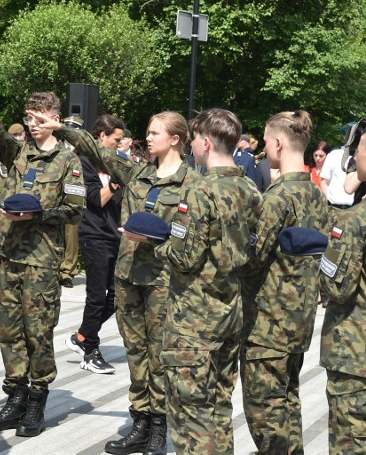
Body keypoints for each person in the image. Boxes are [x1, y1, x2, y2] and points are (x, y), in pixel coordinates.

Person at [37, 109, 201, 455]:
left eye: (156, 132)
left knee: (159, 356)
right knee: (136, 353)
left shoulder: (192, 184)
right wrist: (61, 128)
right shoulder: (137, 171)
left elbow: (193, 240)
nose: (149, 137)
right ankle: (139, 423)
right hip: (128, 278)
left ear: (175, 139)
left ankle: (159, 426)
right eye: (149, 131)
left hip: (162, 280)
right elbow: (97, 151)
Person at [0, 90, 86, 438]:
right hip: (11, 256)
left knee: (38, 331)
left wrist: (41, 214)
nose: (33, 124)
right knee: (10, 331)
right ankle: (14, 397)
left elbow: (76, 209)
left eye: (39, 118)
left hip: (42, 259)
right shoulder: (20, 153)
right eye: (29, 117)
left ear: (53, 118)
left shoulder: (67, 161)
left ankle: (36, 401)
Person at [152, 109, 262, 454]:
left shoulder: (199, 191)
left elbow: (186, 257)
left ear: (204, 142)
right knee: (218, 407)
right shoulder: (249, 187)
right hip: (230, 313)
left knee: (190, 417)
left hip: (194, 322)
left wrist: (156, 244)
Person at [240, 110, 329, 453]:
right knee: (288, 406)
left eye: (265, 140)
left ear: (278, 143)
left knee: (266, 414)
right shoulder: (315, 194)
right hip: (298, 321)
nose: (263, 146)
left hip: (268, 326)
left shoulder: (277, 198)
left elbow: (251, 261)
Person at [64, 114, 126, 375]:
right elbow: (94, 199)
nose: (120, 144)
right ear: (101, 136)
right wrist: (114, 182)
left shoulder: (116, 163)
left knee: (116, 298)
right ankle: (90, 350)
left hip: (116, 236)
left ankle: (82, 336)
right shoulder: (85, 161)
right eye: (116, 139)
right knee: (96, 297)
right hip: (94, 234)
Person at [319, 119, 366, 455]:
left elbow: (337, 288)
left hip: (354, 354)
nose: (354, 156)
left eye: (359, 149)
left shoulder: (354, 222)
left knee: (351, 440)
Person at [59, 116, 89, 288]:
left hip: (74, 199)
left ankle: (67, 272)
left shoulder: (85, 152)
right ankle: (54, 268)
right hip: (56, 198)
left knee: (71, 237)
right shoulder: (56, 147)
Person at [321, 123, 358, 209]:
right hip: (334, 208)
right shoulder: (334, 154)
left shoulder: (363, 156)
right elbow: (324, 182)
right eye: (348, 135)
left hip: (357, 210)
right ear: (343, 137)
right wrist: (329, 200)